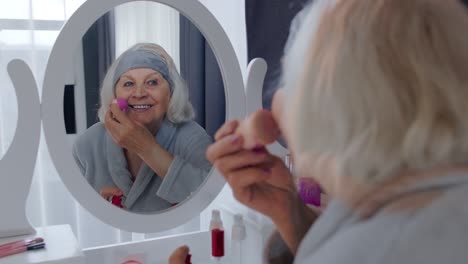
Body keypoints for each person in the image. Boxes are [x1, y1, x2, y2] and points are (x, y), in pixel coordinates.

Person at [170, 0, 468, 262]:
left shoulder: (375, 248)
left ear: (331, 106)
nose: (275, 103)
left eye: (287, 79)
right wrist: (289, 213)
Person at [72, 43, 213, 213]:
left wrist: (147, 148)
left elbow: (212, 199)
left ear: (171, 93)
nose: (139, 93)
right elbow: (72, 214)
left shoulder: (192, 138)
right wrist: (94, 211)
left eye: (152, 82)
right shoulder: (87, 143)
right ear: (114, 94)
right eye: (128, 84)